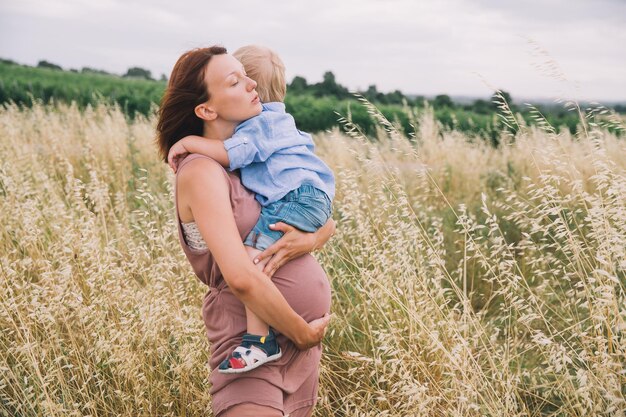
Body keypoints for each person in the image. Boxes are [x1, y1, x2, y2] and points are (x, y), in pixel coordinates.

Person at [156, 45, 333, 417]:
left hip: (297, 353)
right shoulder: (202, 170)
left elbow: (318, 212)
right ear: (206, 109)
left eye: (247, 75)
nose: (252, 84)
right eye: (235, 81)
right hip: (251, 349)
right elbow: (241, 278)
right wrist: (301, 333)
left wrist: (314, 237)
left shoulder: (257, 160)